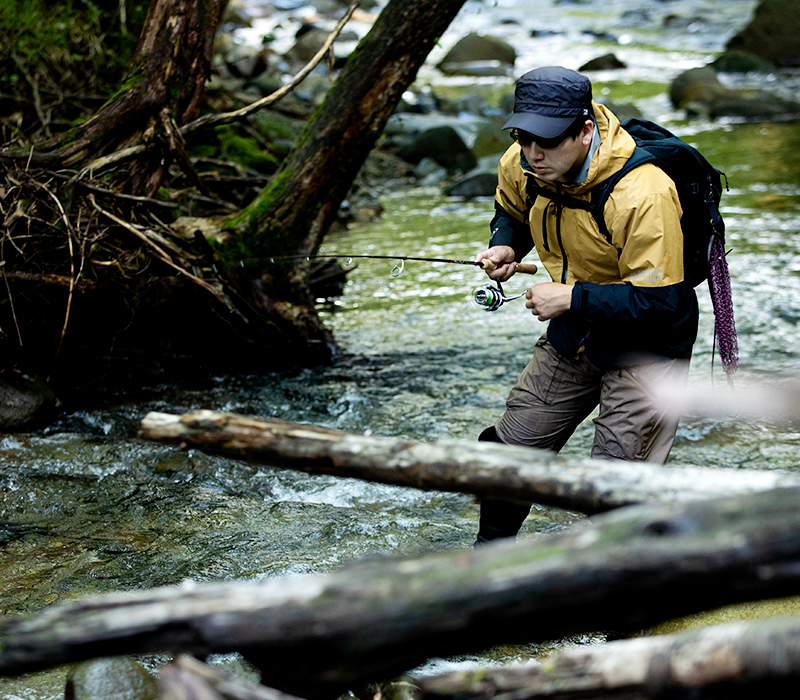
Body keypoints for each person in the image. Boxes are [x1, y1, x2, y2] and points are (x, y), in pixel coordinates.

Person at [474, 66, 697, 544]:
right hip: (576, 332)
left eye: (549, 141)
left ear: (585, 131)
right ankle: (486, 563)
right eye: (524, 137)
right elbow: (511, 212)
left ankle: (631, 586)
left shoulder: (643, 192)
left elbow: (662, 301)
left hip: (648, 345)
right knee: (506, 458)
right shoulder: (523, 162)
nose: (534, 153)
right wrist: (505, 245)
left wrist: (571, 296)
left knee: (613, 489)